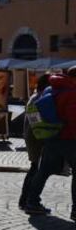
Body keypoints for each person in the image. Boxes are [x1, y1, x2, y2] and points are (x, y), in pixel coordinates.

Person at [22, 67, 76, 218]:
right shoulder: (72, 92)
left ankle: (31, 202)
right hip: (69, 138)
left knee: (43, 170)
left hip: (50, 135)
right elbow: (73, 119)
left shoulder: (50, 89)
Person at [20, 74, 52, 212]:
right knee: (36, 170)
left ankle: (25, 200)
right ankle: (29, 201)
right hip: (36, 138)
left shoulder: (35, 96)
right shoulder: (38, 98)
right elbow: (36, 122)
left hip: (33, 137)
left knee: (34, 169)